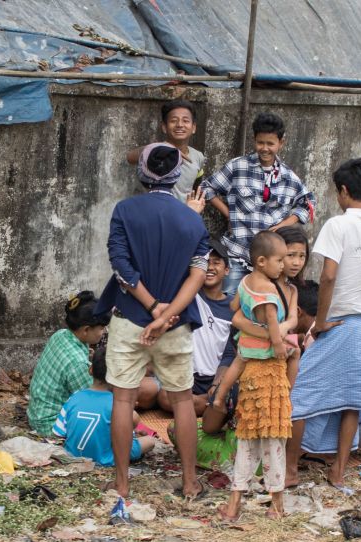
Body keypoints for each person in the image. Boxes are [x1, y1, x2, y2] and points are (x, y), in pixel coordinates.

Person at [99, 142, 209, 502]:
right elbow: (198, 274)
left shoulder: (125, 210)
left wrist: (151, 307)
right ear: (177, 175)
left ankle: (122, 484)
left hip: (130, 318)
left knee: (123, 399)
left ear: (141, 173)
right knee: (182, 400)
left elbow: (121, 267)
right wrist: (168, 314)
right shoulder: (192, 219)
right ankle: (190, 482)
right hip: (176, 323)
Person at [288, 157, 361, 488]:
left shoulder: (337, 225)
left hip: (337, 319)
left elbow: (329, 276)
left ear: (344, 191)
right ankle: (338, 471)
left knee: (301, 394)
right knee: (353, 398)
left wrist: (320, 321)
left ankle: (290, 469)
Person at [218, 231, 293, 521]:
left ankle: (234, 503)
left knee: (247, 437)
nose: (283, 265)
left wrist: (249, 324)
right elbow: (273, 321)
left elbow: (233, 308)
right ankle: (277, 505)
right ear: (262, 261)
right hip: (270, 372)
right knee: (274, 438)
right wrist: (278, 345)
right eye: (279, 260)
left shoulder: (246, 283)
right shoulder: (269, 292)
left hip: (250, 371)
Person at [203, 112, 315, 297]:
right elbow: (206, 188)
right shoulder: (237, 167)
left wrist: (284, 224)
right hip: (237, 253)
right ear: (254, 140)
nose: (265, 148)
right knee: (229, 301)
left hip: (271, 262)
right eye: (260, 143)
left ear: (281, 143)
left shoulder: (289, 177)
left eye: (270, 144)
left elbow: (308, 203)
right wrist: (228, 213)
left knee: (266, 306)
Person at [206, 226, 306, 413]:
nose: (295, 262)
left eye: (302, 256)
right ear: (265, 259)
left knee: (240, 362)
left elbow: (292, 319)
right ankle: (286, 395)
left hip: (252, 341)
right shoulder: (266, 287)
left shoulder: (287, 289)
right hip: (264, 344)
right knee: (294, 352)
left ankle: (285, 396)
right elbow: (237, 319)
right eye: (288, 256)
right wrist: (273, 336)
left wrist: (283, 327)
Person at [27, 292, 123, 435]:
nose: (104, 331)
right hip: (51, 425)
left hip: (37, 414)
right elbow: (93, 400)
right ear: (86, 330)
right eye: (102, 328)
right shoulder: (77, 363)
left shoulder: (61, 334)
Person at [54, 343, 157, 467]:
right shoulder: (118, 404)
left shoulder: (74, 397)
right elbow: (133, 420)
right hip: (106, 458)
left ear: (90, 370)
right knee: (150, 441)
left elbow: (59, 433)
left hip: (73, 455)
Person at [165, 246, 232, 418]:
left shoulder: (233, 307)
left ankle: (206, 403)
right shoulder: (188, 296)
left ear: (227, 270)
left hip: (216, 378)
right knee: (164, 397)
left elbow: (230, 353)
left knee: (225, 396)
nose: (210, 267)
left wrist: (217, 384)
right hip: (186, 377)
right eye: (205, 262)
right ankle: (205, 405)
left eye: (216, 263)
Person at [127, 99, 206, 207]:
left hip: (184, 213)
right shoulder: (155, 153)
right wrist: (164, 149)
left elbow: (196, 187)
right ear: (164, 127)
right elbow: (130, 157)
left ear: (193, 128)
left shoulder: (198, 156)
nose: (180, 125)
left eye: (185, 121)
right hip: (157, 212)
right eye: (174, 121)